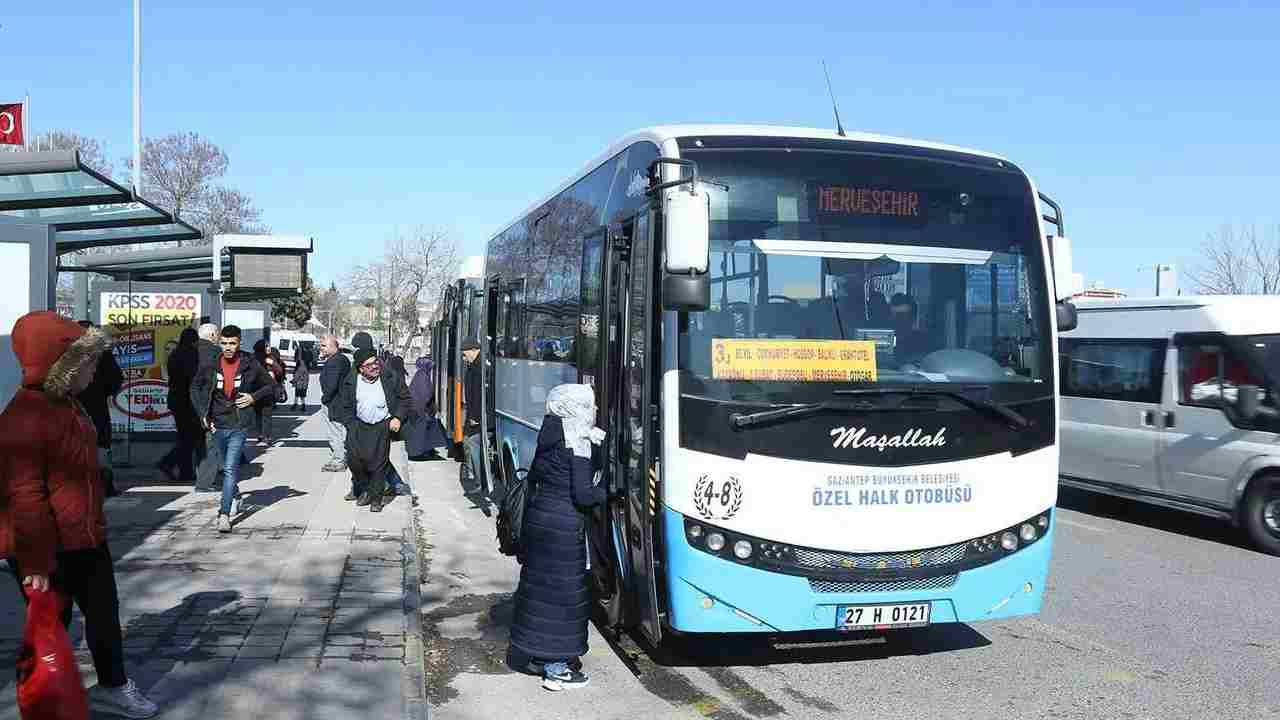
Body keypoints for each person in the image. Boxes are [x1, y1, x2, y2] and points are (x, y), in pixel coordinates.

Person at [0, 311, 160, 717]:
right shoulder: (26, 416)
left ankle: (112, 686)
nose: (93, 369)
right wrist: (35, 562)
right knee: (51, 628)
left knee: (104, 615)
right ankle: (44, 699)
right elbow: (25, 494)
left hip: (86, 536)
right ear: (60, 365)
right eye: (86, 361)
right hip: (50, 548)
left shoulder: (68, 403)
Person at [508, 384, 607, 691]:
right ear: (576, 409)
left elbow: (539, 475)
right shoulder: (577, 443)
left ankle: (536, 655)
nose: (594, 410)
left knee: (540, 593)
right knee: (561, 600)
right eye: (589, 405)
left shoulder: (550, 432)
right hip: (564, 530)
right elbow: (583, 495)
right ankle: (557, 669)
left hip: (540, 524)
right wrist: (610, 491)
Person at [191, 326, 276, 533]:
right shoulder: (210, 363)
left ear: (239, 343)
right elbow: (195, 387)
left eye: (232, 343)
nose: (228, 348)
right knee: (224, 466)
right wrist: (203, 413)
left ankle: (224, 513)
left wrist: (252, 397)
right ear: (219, 342)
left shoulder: (249, 363)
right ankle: (235, 495)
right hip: (217, 423)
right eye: (224, 343)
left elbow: (270, 384)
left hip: (239, 423)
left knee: (230, 469)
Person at [331, 347, 416, 512]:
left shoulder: (390, 377)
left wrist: (397, 417)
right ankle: (367, 490)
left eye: (376, 362)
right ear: (360, 369)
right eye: (369, 365)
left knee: (378, 463)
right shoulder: (351, 380)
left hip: (382, 426)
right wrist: (350, 424)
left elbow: (405, 398)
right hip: (358, 426)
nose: (375, 367)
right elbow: (345, 404)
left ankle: (376, 499)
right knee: (354, 461)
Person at [347, 332, 410, 497]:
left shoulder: (378, 367)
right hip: (360, 423)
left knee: (374, 458)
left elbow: (403, 395)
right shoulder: (359, 367)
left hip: (381, 422)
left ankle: (387, 486)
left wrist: (396, 417)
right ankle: (364, 487)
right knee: (363, 457)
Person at [75, 320, 125, 498]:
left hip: (73, 407)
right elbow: (116, 379)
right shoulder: (102, 353)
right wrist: (104, 391)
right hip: (96, 406)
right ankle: (105, 485)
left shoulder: (67, 354)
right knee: (101, 446)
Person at [158, 327, 201, 485]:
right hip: (188, 401)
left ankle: (185, 471)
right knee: (189, 437)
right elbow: (193, 378)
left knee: (185, 436)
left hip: (176, 399)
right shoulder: (191, 355)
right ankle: (170, 463)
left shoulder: (175, 354)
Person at [192, 323, 224, 491]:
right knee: (211, 444)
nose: (219, 338)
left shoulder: (186, 351)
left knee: (198, 443)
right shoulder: (215, 353)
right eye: (217, 334)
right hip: (207, 404)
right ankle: (204, 483)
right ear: (212, 335)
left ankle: (199, 476)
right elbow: (215, 381)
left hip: (185, 404)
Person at [318, 335, 350, 473]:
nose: (321, 348)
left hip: (334, 403)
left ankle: (338, 461)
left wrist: (325, 399)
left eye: (324, 345)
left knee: (335, 433)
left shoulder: (335, 361)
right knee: (340, 432)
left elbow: (332, 384)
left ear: (333, 346)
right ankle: (341, 458)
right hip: (339, 402)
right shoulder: (340, 359)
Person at [406, 356, 447, 461]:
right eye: (430, 366)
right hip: (420, 410)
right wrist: (430, 406)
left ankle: (420, 452)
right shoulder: (423, 376)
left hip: (417, 409)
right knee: (421, 433)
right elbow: (425, 394)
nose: (431, 369)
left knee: (421, 433)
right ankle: (418, 453)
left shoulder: (420, 374)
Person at [461, 338, 484, 492]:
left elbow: (478, 393)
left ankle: (479, 480)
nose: (464, 358)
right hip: (475, 414)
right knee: (470, 442)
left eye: (465, 354)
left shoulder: (479, 367)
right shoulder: (475, 364)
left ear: (473, 350)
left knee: (473, 443)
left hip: (478, 415)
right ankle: (476, 476)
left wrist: (475, 416)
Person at [252, 339, 284, 446]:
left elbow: (280, 372)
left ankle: (267, 436)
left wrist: (273, 363)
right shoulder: (253, 359)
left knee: (266, 414)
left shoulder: (270, 358)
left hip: (268, 391)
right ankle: (260, 435)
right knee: (258, 414)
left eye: (269, 346)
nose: (269, 348)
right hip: (256, 390)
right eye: (266, 346)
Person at [889, 292, 932, 361]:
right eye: (893, 316)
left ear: (913, 318)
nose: (898, 321)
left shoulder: (922, 342)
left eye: (902, 316)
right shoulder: (881, 339)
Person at [291, 346, 311, 411]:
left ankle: (296, 405)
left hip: (299, 383)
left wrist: (293, 380)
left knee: (297, 394)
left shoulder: (300, 365)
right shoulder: (306, 366)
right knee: (302, 395)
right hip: (304, 383)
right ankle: (303, 405)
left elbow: (297, 375)